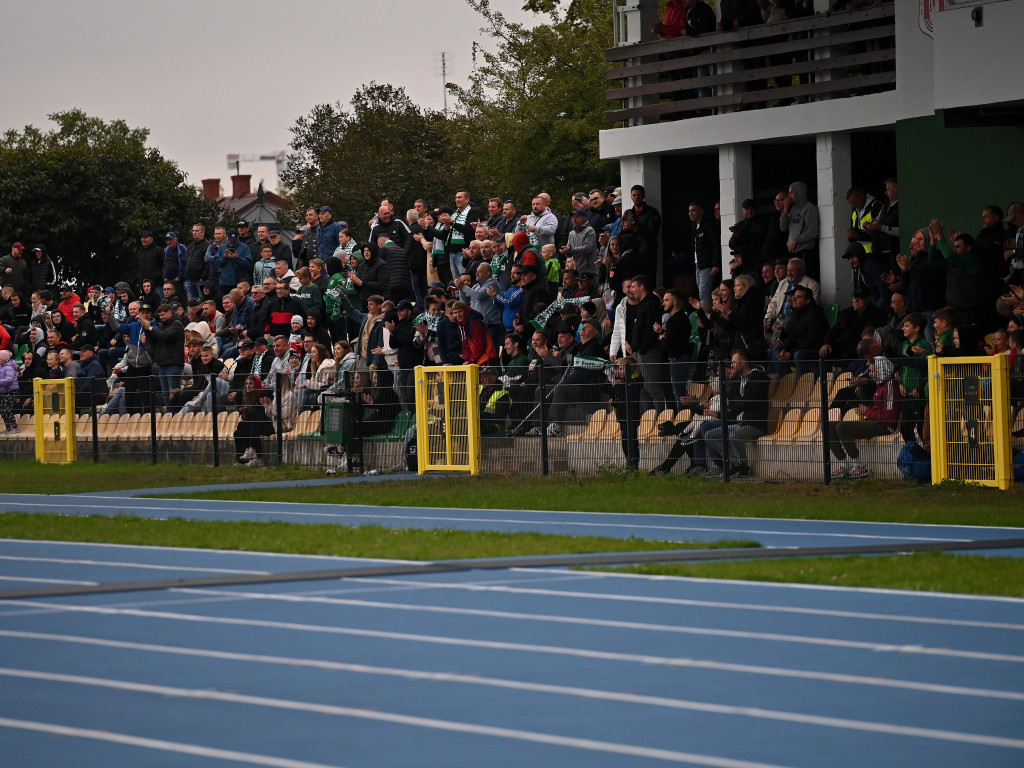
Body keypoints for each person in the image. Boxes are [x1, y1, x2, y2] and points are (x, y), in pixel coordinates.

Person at [828, 356, 900, 479]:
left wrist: (867, 411)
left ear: (881, 370)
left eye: (872, 371)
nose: (870, 374)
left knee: (842, 427)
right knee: (828, 426)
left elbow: (889, 417)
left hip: (884, 426)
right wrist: (868, 412)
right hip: (874, 421)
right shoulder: (880, 384)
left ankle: (858, 466)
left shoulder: (890, 386)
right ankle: (844, 465)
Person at [779, 182, 820, 277]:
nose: (789, 196)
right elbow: (783, 227)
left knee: (804, 279)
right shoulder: (793, 209)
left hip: (805, 251)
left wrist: (796, 241)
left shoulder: (809, 208)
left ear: (799, 192)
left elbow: (813, 231)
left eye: (791, 193)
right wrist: (785, 209)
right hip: (793, 252)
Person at [234, 375, 274, 466]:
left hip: (268, 424)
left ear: (256, 384)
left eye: (251, 383)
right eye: (247, 383)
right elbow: (246, 418)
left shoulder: (265, 394)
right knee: (240, 428)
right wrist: (245, 412)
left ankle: (254, 452)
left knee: (254, 422)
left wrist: (248, 410)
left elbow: (264, 414)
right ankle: (242, 459)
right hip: (255, 424)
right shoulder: (245, 397)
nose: (248, 386)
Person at [0, 349, 18, 434]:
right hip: (4, 391)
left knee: (7, 409)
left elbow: (9, 380)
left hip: (11, 391)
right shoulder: (2, 367)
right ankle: (8, 427)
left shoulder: (9, 367)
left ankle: (15, 427)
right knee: (2, 409)